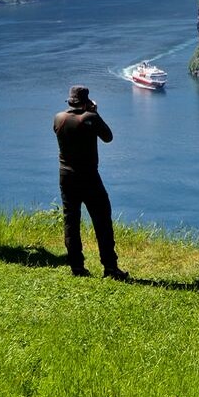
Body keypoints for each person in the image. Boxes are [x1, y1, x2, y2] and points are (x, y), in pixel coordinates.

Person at [53, 85, 127, 280]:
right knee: (102, 219)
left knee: (71, 220)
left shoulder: (58, 118)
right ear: (86, 102)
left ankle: (76, 266)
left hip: (66, 175)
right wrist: (95, 112)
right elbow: (108, 137)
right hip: (88, 176)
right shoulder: (90, 118)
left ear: (70, 101)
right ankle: (110, 267)